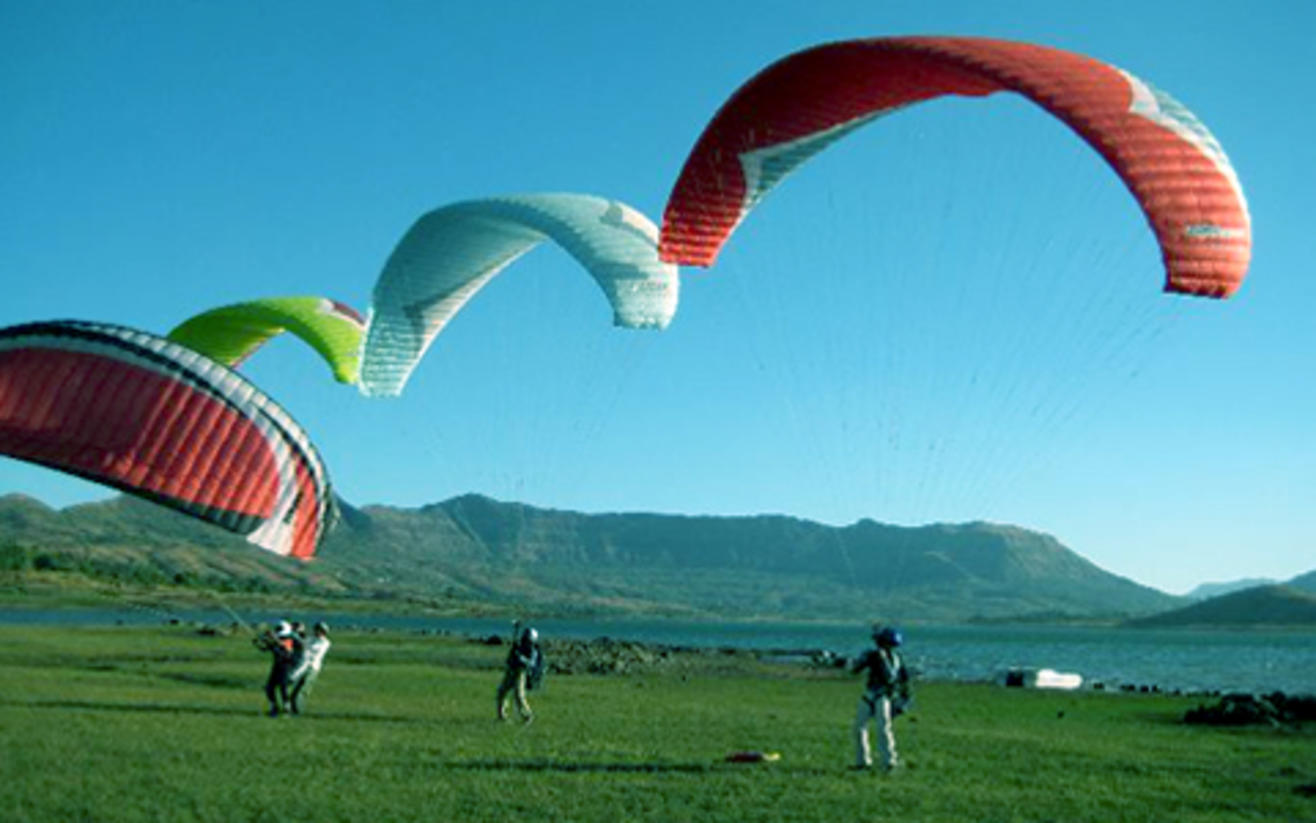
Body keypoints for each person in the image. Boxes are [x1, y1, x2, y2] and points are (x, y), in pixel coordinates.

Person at [850, 624, 911, 772]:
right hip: (886, 697)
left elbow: (855, 669)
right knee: (883, 728)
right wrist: (905, 700)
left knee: (861, 727)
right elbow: (905, 680)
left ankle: (864, 761)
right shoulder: (898, 659)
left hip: (873, 696)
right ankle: (888, 760)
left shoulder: (873, 656)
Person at [496, 623, 543, 723]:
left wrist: (521, 658)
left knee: (519, 696)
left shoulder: (533, 651)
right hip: (512, 671)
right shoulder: (518, 646)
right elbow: (510, 658)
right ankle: (502, 715)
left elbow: (531, 664)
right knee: (502, 692)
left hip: (521, 673)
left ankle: (527, 715)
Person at [254, 619, 301, 717]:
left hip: (286, 666)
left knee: (283, 687)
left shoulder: (290, 639)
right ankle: (274, 706)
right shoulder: (279, 639)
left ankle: (286, 708)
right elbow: (267, 648)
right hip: (277, 665)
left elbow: (286, 650)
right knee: (269, 687)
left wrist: (274, 639)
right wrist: (258, 643)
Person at [288, 621, 331, 715]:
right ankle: (294, 711)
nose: (317, 632)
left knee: (302, 691)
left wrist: (301, 639)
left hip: (312, 668)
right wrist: (296, 633)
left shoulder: (325, 643)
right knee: (295, 691)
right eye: (317, 629)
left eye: (320, 630)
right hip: (304, 666)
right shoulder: (311, 639)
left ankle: (297, 711)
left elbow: (311, 652)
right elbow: (302, 642)